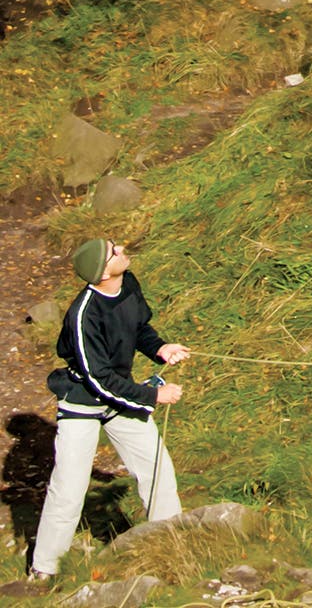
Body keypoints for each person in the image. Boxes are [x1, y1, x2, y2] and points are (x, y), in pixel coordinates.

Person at [29, 237, 187, 579]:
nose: (121, 250)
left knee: (158, 468)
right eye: (113, 252)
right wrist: (152, 397)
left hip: (121, 393)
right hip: (83, 401)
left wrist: (160, 349)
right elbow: (98, 380)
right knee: (69, 487)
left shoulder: (127, 282)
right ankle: (45, 569)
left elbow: (139, 328)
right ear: (101, 273)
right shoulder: (83, 315)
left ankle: (171, 547)